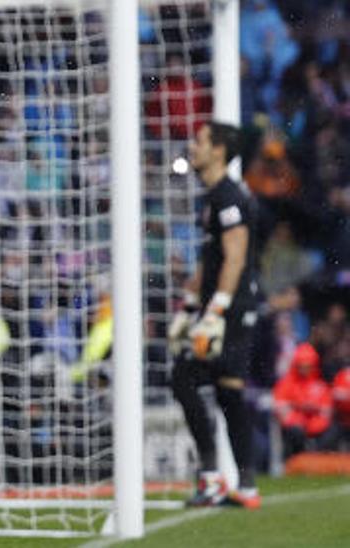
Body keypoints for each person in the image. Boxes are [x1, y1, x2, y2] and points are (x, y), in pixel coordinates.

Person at [167, 122, 262, 509]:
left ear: (219, 150)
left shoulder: (229, 197)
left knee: (187, 378)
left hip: (231, 310)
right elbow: (213, 260)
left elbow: (236, 257)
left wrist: (215, 312)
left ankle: (213, 478)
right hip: (223, 308)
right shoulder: (214, 197)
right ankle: (245, 485)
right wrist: (189, 305)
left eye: (200, 141)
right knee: (226, 389)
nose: (192, 146)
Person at [272, 343, 332, 458]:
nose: (305, 369)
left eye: (308, 366)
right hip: (295, 425)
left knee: (332, 432)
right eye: (302, 366)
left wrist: (313, 417)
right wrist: (299, 409)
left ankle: (318, 460)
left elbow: (326, 410)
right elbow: (280, 407)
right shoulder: (286, 384)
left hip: (316, 425)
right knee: (296, 433)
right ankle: (297, 461)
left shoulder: (320, 385)